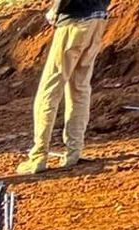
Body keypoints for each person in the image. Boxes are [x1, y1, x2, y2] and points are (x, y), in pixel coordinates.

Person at [19, 1, 111, 174]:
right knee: (80, 88)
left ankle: (38, 156)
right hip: (98, 19)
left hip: (74, 21)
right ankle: (73, 152)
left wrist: (55, 9)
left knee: (50, 89)